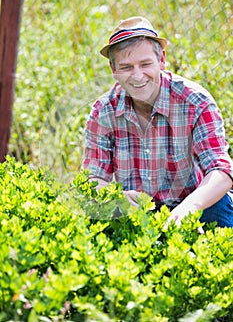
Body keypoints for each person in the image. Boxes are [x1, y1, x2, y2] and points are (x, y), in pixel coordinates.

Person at [82, 16, 233, 228]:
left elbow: (222, 171)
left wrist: (188, 207)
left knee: (220, 213)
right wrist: (114, 197)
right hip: (138, 211)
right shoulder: (103, 112)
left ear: (161, 59)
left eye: (145, 64)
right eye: (126, 67)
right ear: (113, 69)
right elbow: (92, 179)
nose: (137, 76)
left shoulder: (195, 102)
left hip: (199, 204)